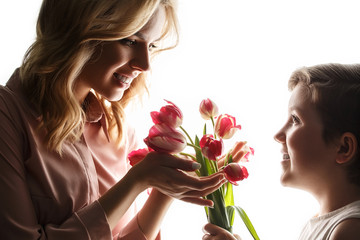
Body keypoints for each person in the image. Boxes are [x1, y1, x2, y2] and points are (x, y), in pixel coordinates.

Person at [0, 0, 233, 239]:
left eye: (151, 46)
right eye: (130, 40)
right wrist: (136, 181)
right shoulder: (8, 114)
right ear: (78, 31)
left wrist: (164, 189)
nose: (144, 65)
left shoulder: (117, 130)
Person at [202, 63, 360, 240]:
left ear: (344, 148)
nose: (278, 135)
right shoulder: (321, 222)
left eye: (295, 119)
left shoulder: (350, 229)